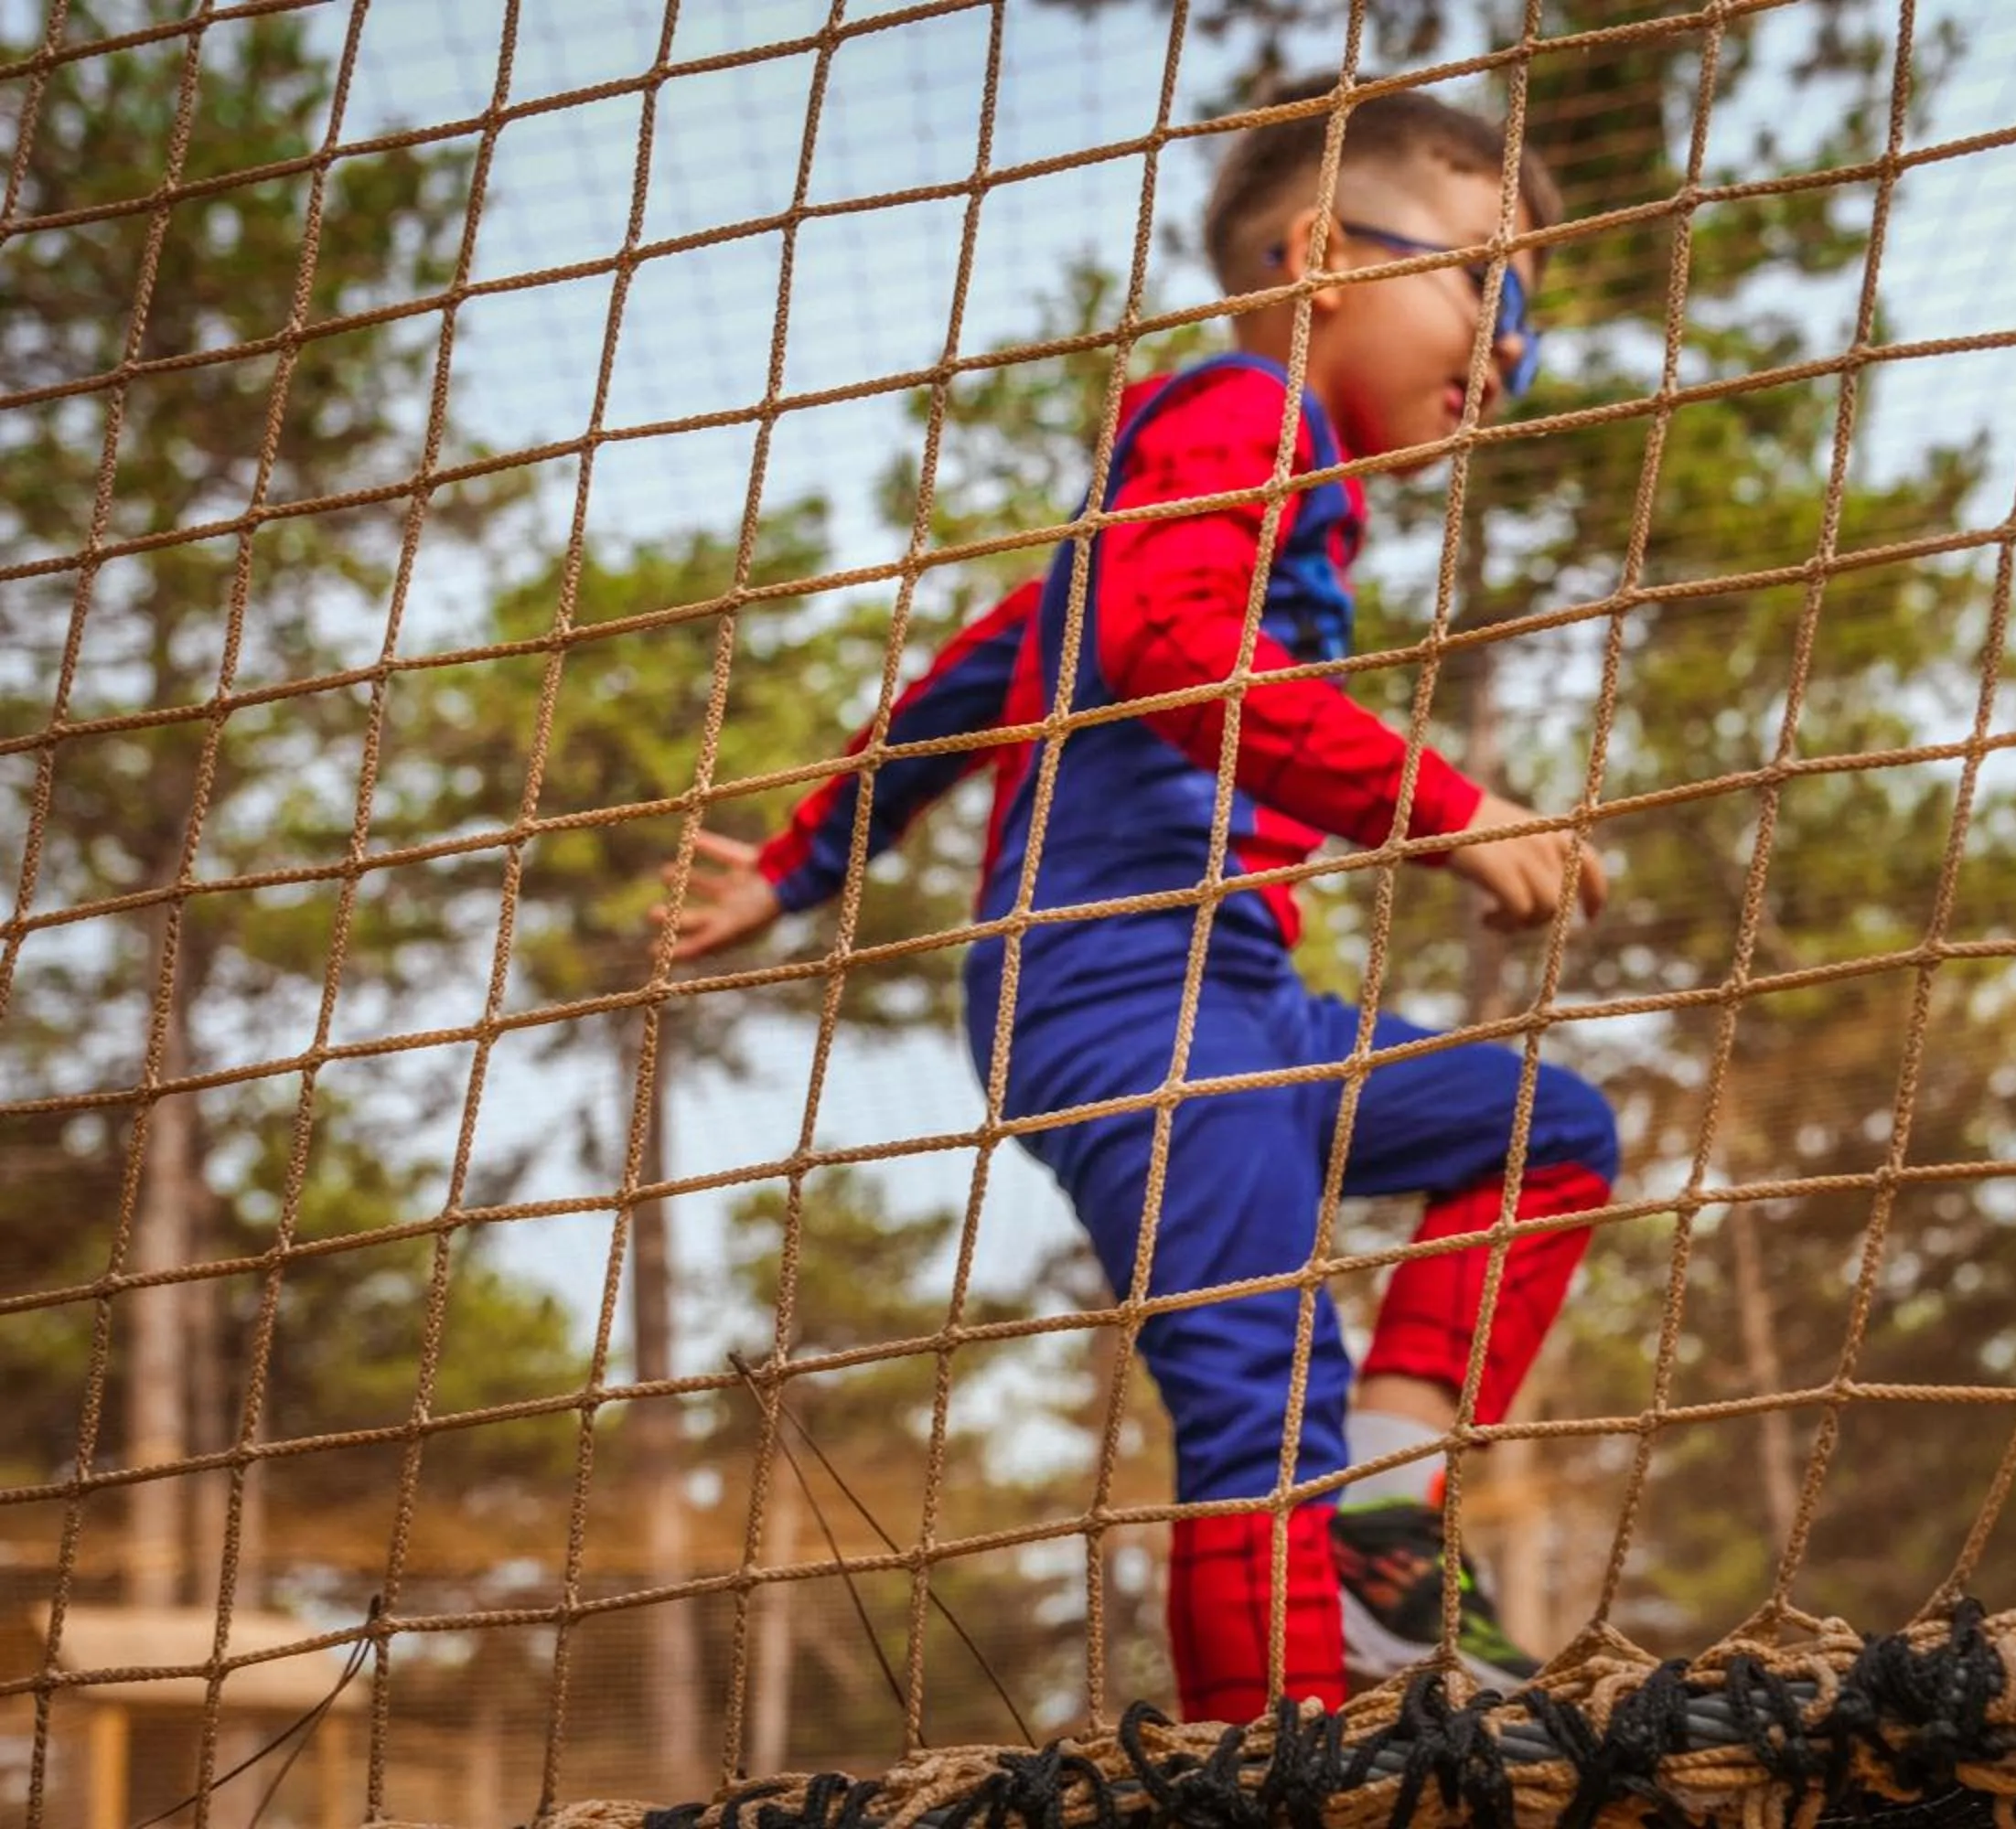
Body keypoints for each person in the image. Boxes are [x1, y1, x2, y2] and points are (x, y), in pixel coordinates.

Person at [662, 78, 1620, 1723]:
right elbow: (1172, 658)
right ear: (1324, 255)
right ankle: (1277, 1754)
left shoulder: (1231, 470)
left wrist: (802, 860)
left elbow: (989, 667)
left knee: (1543, 1130)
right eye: (1488, 280)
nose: (1511, 343)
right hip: (1124, 982)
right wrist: (1444, 808)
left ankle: (1385, 1525)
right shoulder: (1241, 410)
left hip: (1238, 992)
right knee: (1265, 1392)